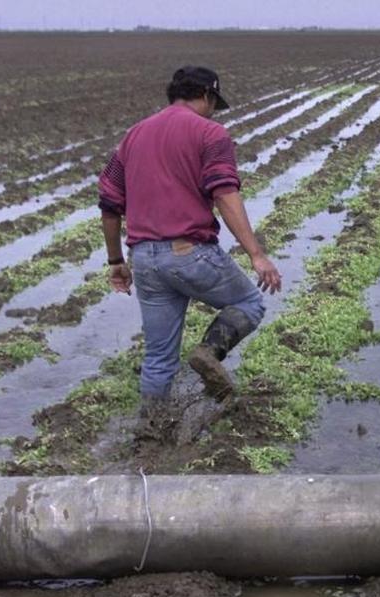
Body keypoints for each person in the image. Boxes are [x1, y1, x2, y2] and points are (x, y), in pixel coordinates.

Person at [99, 66, 281, 408]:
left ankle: (150, 431)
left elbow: (109, 205)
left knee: (158, 358)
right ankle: (208, 354)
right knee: (249, 303)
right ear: (207, 96)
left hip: (144, 259)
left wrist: (116, 262)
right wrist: (256, 253)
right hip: (189, 253)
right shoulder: (210, 134)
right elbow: (225, 193)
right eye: (215, 102)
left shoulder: (133, 136)